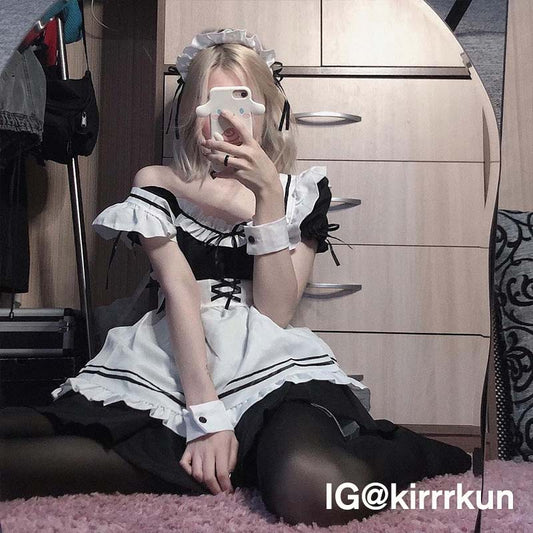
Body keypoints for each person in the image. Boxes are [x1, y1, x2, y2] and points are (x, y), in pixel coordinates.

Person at [0, 28, 471, 526]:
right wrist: (206, 416)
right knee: (28, 444)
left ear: (266, 109)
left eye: (240, 102)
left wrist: (267, 195)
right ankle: (221, 460)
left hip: (267, 365)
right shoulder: (159, 182)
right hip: (173, 362)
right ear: (191, 113)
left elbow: (275, 312)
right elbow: (180, 290)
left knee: (320, 490)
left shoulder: (300, 193)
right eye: (212, 104)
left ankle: (416, 452)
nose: (226, 120)